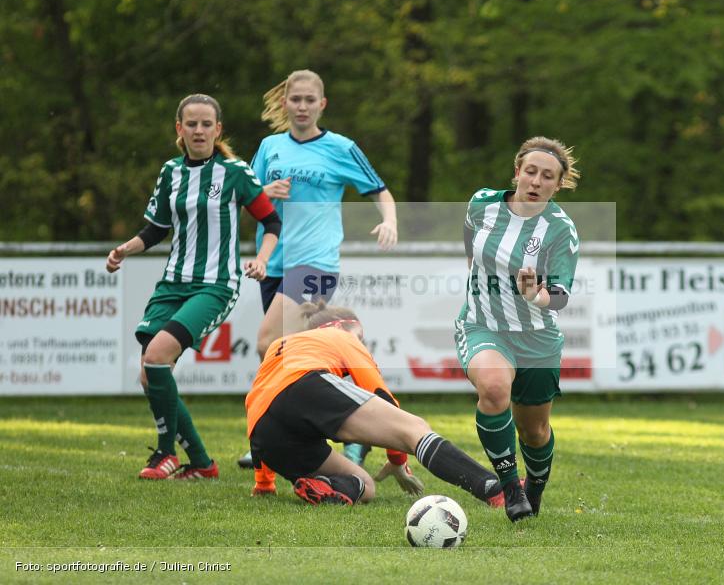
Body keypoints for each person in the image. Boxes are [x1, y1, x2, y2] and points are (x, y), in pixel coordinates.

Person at [106, 93, 281, 480]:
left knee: (156, 356)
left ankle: (165, 454)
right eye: (191, 124)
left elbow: (271, 223)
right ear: (179, 129)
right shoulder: (171, 171)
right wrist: (125, 250)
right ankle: (202, 463)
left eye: (206, 124)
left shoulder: (234, 173)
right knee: (150, 374)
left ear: (217, 129)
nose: (198, 130)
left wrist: (263, 259)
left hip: (216, 284)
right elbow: (157, 229)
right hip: (172, 283)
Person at [237, 68, 398, 469]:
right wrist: (263, 193)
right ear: (285, 102)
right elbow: (248, 195)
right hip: (273, 263)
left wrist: (390, 220)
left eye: (310, 100)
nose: (303, 106)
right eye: (296, 99)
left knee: (268, 343)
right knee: (295, 359)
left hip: (315, 264)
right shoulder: (270, 147)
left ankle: (273, 437)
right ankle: (332, 437)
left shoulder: (340, 148)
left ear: (322, 104)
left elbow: (381, 191)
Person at [246, 300, 505, 512]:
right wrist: (397, 459)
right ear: (345, 325)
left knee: (364, 485)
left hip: (263, 433)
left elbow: (259, 402)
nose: (363, 343)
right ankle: (494, 488)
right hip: (305, 385)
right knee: (414, 428)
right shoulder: (338, 335)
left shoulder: (278, 347)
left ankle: (324, 486)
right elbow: (381, 395)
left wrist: (264, 483)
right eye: (362, 336)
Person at [455, 136, 580, 521]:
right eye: (530, 171)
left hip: (537, 338)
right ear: (517, 172)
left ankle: (534, 491)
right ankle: (511, 490)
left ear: (558, 185)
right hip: (482, 325)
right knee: (493, 388)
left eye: (547, 176)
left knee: (535, 431)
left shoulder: (561, 229)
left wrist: (535, 296)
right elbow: (469, 246)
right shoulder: (482, 204)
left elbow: (559, 295)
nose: (536, 181)